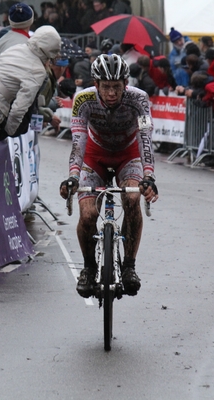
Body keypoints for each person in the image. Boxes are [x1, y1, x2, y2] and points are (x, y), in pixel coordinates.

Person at [58, 54, 158, 298]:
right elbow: (78, 142)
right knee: (89, 214)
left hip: (128, 154)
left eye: (116, 87)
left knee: (133, 200)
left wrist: (149, 176)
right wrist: (72, 176)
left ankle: (129, 268)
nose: (111, 93)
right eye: (106, 87)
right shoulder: (83, 99)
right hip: (95, 155)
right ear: (96, 83)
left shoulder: (139, 99)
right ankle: (89, 269)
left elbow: (145, 137)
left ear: (125, 84)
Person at [0, 25, 62, 139]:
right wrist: (9, 131)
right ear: (52, 50)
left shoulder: (16, 48)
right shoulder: (38, 71)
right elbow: (19, 108)